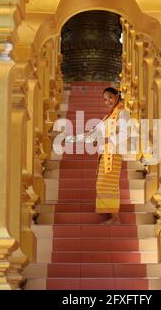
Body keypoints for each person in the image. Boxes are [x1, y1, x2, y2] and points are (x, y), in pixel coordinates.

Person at [66, 87, 131, 225]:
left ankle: (115, 218)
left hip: (113, 154)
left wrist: (108, 140)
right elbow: (94, 134)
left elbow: (126, 133)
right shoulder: (107, 117)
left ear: (117, 96)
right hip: (104, 154)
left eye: (110, 97)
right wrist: (74, 139)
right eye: (105, 99)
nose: (107, 101)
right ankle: (113, 217)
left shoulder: (123, 113)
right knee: (103, 184)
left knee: (107, 185)